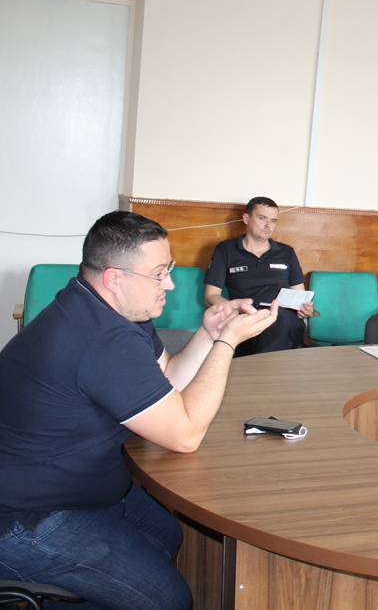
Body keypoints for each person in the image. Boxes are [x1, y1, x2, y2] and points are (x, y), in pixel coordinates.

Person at [0, 211, 278, 610]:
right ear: (115, 278)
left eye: (170, 270)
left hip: (76, 489)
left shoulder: (108, 308)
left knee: (168, 535)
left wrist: (208, 334)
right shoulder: (99, 338)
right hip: (26, 519)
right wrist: (227, 344)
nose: (170, 284)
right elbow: (185, 435)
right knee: (170, 600)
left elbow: (168, 380)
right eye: (159, 274)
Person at [205, 196, 318, 356]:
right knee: (262, 326)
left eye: (273, 221)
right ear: (246, 219)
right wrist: (236, 308)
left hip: (283, 317)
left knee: (278, 320)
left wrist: (305, 308)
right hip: (246, 316)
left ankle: (265, 366)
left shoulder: (286, 252)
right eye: (262, 218)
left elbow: (300, 295)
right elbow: (211, 295)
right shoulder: (226, 250)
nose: (268, 225)